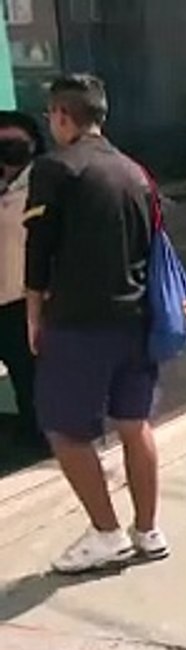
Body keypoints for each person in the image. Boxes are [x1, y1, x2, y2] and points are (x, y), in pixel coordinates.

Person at [25, 74, 167, 573]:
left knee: (65, 431)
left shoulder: (56, 168)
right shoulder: (134, 172)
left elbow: (38, 250)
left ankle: (107, 532)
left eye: (51, 114)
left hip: (79, 323)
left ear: (63, 116)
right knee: (134, 424)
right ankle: (148, 530)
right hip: (136, 318)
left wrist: (33, 315)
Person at [0, 110, 48, 458]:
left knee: (29, 377)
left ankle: (42, 439)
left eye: (13, 144)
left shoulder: (44, 186)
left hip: (25, 299)